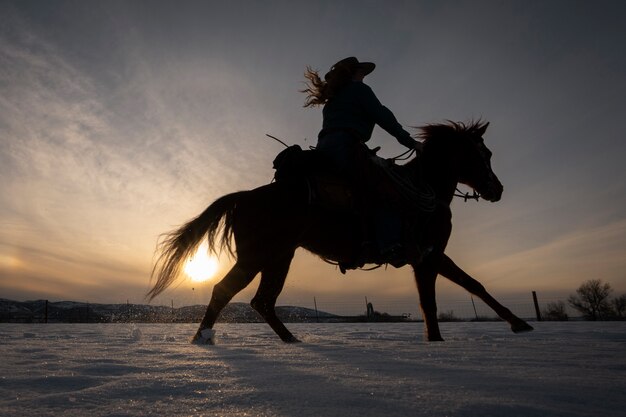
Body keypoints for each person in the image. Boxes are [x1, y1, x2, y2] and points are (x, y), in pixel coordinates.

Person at [302, 57, 423, 266]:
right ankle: (390, 245)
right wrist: (411, 143)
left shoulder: (331, 101)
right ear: (354, 73)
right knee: (386, 186)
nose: (364, 77)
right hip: (346, 146)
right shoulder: (360, 90)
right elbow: (384, 117)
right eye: (361, 72)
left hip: (323, 149)